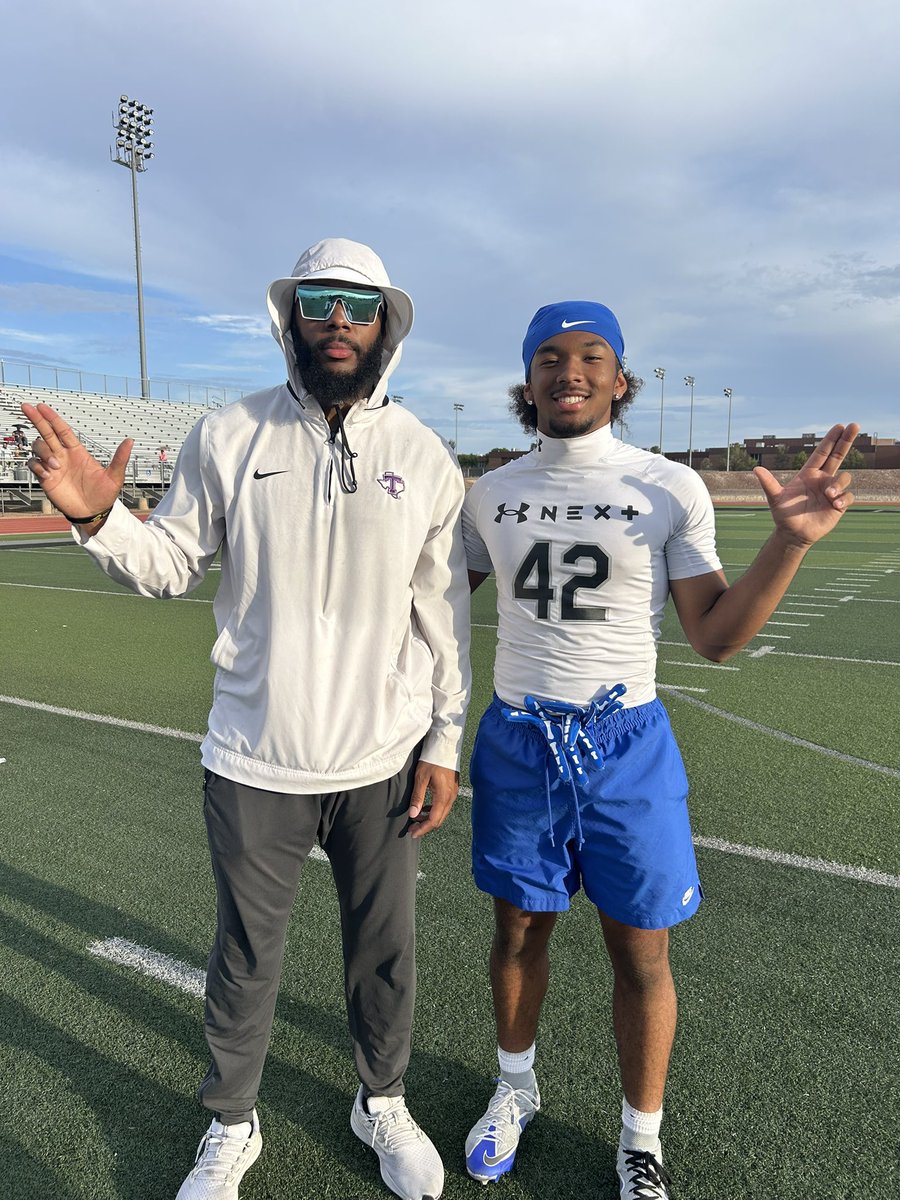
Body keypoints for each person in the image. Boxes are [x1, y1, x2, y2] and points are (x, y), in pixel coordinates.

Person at [22, 237, 471, 1200]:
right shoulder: (228, 435)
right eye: (320, 302)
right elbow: (169, 565)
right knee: (244, 956)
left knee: (385, 954)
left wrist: (444, 740)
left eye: (359, 305)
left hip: (382, 760)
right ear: (289, 316)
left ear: (387, 323)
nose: (339, 321)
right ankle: (232, 1121)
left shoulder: (423, 454)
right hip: (253, 757)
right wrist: (99, 519)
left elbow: (442, 613)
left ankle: (381, 1101)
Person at [460, 300, 858, 1200]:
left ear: (620, 380)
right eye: (549, 356)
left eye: (590, 356)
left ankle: (642, 1138)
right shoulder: (489, 492)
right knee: (516, 933)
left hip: (625, 743)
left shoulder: (668, 486)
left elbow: (715, 637)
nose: (569, 370)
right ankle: (514, 1089)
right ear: (527, 380)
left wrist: (788, 544)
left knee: (640, 953)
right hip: (520, 740)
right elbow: (429, 600)